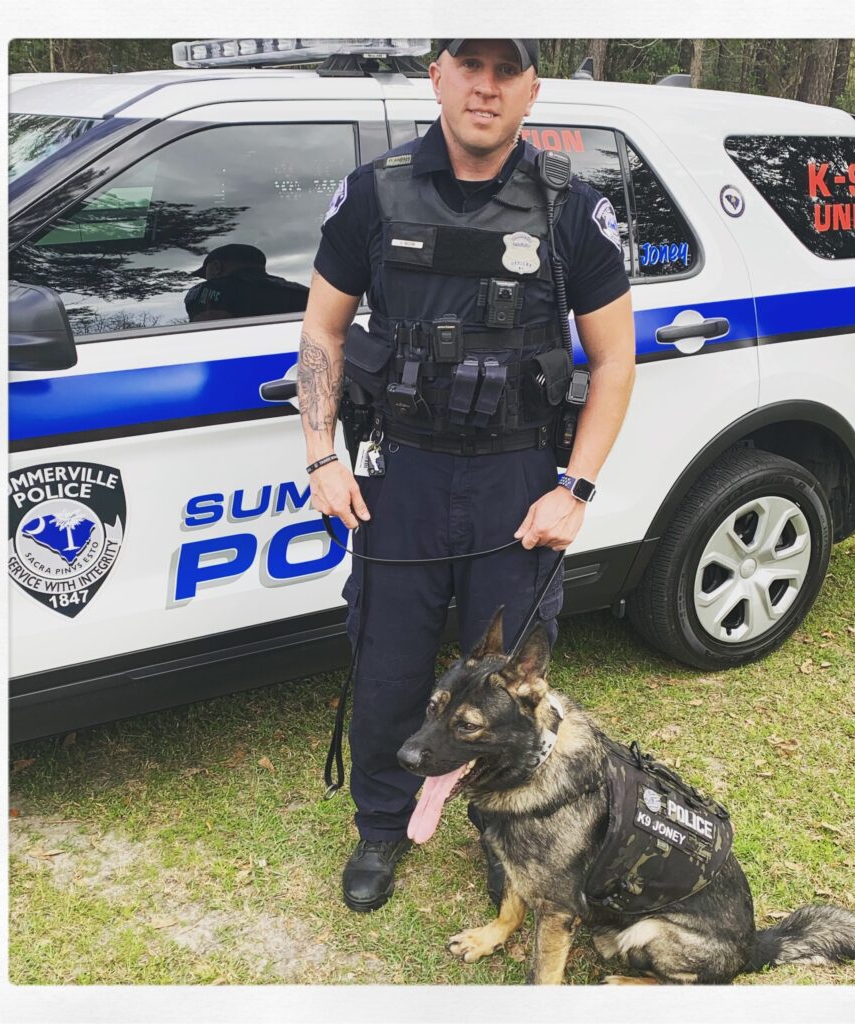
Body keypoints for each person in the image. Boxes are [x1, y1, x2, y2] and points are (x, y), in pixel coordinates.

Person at [298, 38, 635, 912]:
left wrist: (575, 489)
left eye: (506, 71)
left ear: (532, 89)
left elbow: (615, 360)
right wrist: (322, 455)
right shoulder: (373, 194)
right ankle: (383, 824)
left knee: (510, 681)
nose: (486, 88)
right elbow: (323, 331)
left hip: (515, 480)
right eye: (470, 66)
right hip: (403, 474)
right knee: (389, 664)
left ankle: (502, 829)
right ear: (438, 76)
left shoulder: (571, 207)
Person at [185, 243, 308, 321]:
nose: (206, 279)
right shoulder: (302, 293)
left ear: (217, 267)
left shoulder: (210, 289)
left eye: (205, 272)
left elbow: (204, 333)